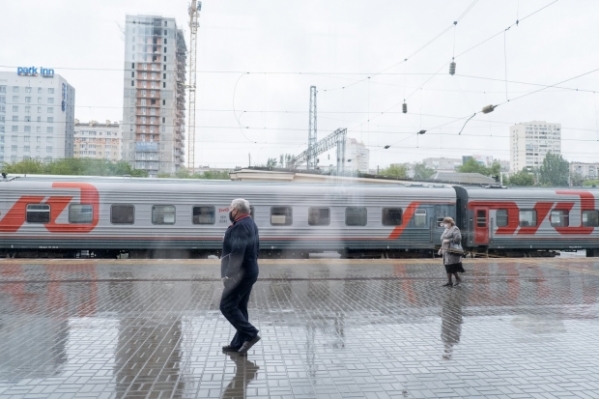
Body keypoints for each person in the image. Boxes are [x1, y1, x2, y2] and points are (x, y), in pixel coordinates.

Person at [220, 198, 261, 355]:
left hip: (240, 274)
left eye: (230, 208)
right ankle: (238, 343)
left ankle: (250, 334)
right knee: (239, 307)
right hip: (248, 271)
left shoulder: (241, 226)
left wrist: (229, 275)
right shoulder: (249, 223)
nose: (229, 211)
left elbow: (237, 253)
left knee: (227, 306)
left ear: (236, 210)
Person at [438, 216, 465, 287]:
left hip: (452, 251)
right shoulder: (446, 229)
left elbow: (458, 239)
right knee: (447, 266)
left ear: (450, 223)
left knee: (451, 266)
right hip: (446, 251)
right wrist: (441, 248)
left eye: (445, 223)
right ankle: (450, 281)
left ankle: (457, 279)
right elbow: (443, 239)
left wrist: (449, 240)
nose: (444, 224)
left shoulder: (455, 229)